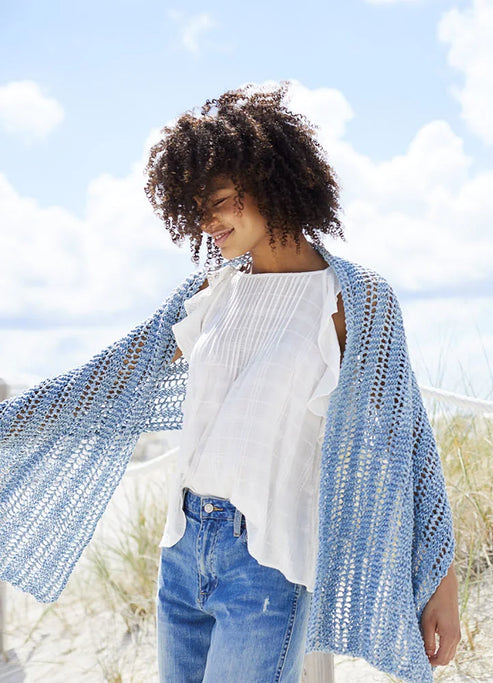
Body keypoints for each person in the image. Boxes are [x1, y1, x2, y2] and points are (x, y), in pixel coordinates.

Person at [0, 82, 459, 682]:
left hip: (265, 565)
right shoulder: (210, 292)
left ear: (272, 181)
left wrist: (441, 584)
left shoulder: (353, 300)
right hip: (181, 551)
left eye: (219, 200)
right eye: (195, 208)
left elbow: (407, 445)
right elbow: (105, 382)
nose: (207, 222)